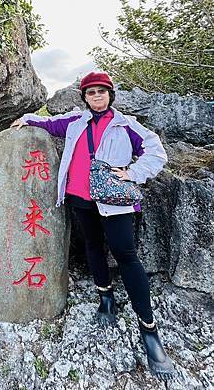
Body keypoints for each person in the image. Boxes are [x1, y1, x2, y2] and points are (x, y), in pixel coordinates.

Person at [11, 71, 175, 380]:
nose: (96, 96)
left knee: (126, 255)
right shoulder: (75, 122)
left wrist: (132, 173)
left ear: (110, 95)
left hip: (113, 201)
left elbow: (156, 152)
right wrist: (26, 118)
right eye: (91, 92)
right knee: (91, 247)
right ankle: (106, 298)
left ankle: (149, 330)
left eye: (101, 91)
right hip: (79, 197)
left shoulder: (126, 125)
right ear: (84, 97)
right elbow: (47, 124)